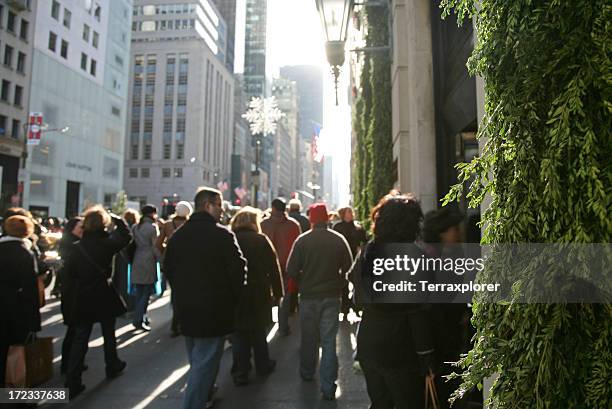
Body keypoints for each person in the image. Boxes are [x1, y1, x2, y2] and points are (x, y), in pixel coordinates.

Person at [350, 193, 436, 409]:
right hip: (401, 348)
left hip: (369, 344)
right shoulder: (416, 257)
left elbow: (356, 299)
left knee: (380, 403)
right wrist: (426, 355)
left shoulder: (368, 251)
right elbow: (418, 312)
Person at [164, 187, 247, 409]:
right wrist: (233, 298)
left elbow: (168, 269)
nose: (222, 210)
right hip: (214, 310)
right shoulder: (222, 235)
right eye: (219, 204)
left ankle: (206, 393)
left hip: (186, 309)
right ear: (208, 205)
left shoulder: (178, 237)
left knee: (198, 360)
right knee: (204, 363)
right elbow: (239, 271)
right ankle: (194, 402)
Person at [62, 205, 131, 397]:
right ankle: (112, 364)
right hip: (103, 292)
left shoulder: (77, 249)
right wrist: (118, 218)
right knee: (109, 333)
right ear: (103, 224)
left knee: (81, 337)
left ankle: (72, 380)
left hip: (83, 295)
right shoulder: (107, 244)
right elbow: (126, 236)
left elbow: (68, 275)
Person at [286, 203, 353, 400]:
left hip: (308, 296)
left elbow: (291, 270)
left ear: (312, 219)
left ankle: (307, 373)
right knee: (329, 340)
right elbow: (349, 267)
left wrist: (303, 282)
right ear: (327, 218)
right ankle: (328, 386)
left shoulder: (302, 240)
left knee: (309, 338)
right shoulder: (338, 240)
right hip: (332, 296)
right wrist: (339, 282)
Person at [229, 206, 284, 385]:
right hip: (259, 291)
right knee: (258, 330)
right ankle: (263, 364)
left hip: (235, 292)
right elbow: (273, 268)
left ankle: (240, 371)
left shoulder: (230, 239)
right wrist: (278, 293)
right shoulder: (261, 240)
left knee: (239, 332)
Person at [423, 206, 471, 409]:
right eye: (454, 229)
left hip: (447, 330)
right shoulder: (435, 258)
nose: (459, 233)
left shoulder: (448, 254)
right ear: (442, 233)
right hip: (441, 333)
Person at [0, 216, 41, 387]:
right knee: (18, 351)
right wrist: (34, 322)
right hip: (16, 310)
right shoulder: (25, 253)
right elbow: (30, 290)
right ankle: (16, 395)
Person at [261, 198, 302, 336]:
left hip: (265, 266)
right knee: (284, 298)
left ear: (273, 208)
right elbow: (298, 248)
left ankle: (265, 325)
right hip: (287, 267)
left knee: (266, 296)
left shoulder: (263, 224)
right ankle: (283, 326)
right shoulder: (293, 225)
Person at [155, 201, 192, 337]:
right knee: (186, 292)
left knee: (175, 292)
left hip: (170, 262)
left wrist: (165, 251)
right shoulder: (190, 225)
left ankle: (176, 322)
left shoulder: (168, 224)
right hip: (187, 263)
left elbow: (158, 243)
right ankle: (180, 321)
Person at [58, 217, 84, 375]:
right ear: (72, 228)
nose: (83, 229)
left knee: (74, 330)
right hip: (72, 293)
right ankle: (68, 364)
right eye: (81, 226)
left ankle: (70, 363)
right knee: (74, 330)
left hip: (72, 292)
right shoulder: (72, 245)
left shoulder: (73, 243)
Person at [131, 204, 160, 331]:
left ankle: (141, 316)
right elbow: (155, 246)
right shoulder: (152, 228)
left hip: (137, 258)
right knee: (146, 293)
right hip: (148, 260)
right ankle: (138, 318)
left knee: (139, 292)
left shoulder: (135, 227)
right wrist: (162, 261)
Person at [333, 206, 368, 315]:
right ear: (343, 214)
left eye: (351, 212)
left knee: (356, 280)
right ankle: (345, 307)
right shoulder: (337, 227)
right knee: (344, 282)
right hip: (341, 257)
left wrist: (361, 248)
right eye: (348, 212)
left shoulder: (357, 227)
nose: (351, 214)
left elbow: (365, 240)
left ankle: (356, 306)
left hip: (355, 256)